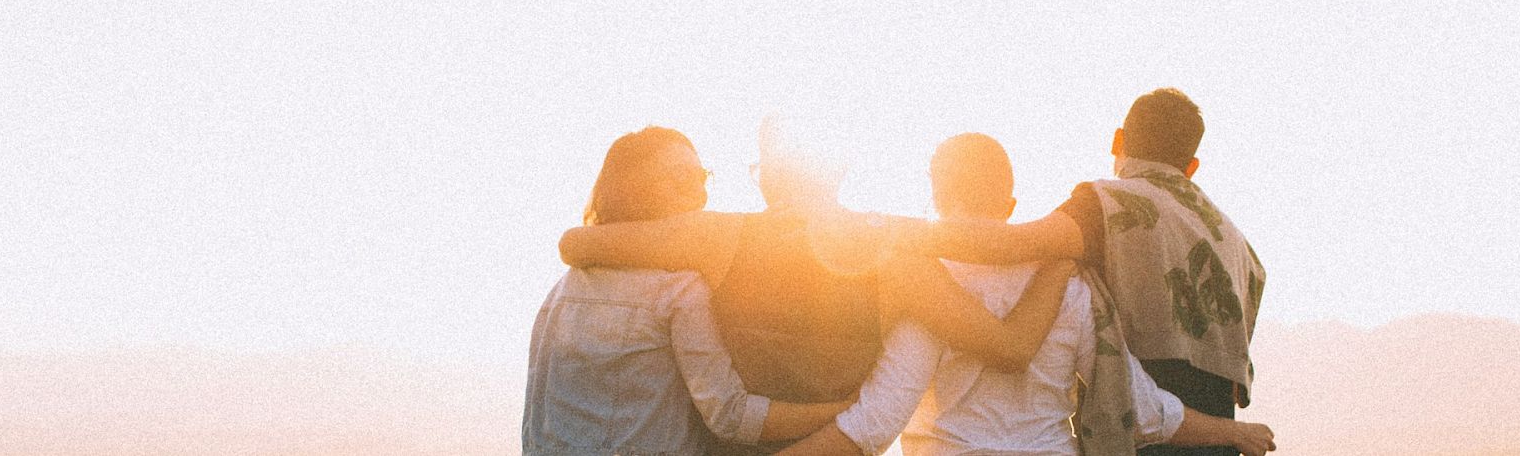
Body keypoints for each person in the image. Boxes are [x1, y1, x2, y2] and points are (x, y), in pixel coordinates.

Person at [557, 120, 1074, 454]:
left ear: (764, 174)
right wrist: (1060, 257)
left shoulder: (717, 237)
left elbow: (580, 244)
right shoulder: (896, 252)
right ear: (841, 167)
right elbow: (1011, 347)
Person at [777, 134, 1274, 456]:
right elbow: (1140, 406)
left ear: (933, 194)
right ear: (1011, 203)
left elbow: (874, 424)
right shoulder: (1073, 284)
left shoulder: (925, 281)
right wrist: (1232, 431)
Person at [916, 89, 1269, 456]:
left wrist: (887, 235)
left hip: (1138, 436)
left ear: (1118, 140)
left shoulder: (1108, 206)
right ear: (1191, 166)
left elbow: (1014, 245)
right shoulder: (1240, 247)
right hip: (1217, 439)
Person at [524, 127, 854, 455]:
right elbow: (731, 417)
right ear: (636, 189)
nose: (700, 196)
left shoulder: (561, 290)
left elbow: (536, 418)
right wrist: (846, 410)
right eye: (681, 179)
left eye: (702, 178)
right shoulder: (679, 291)